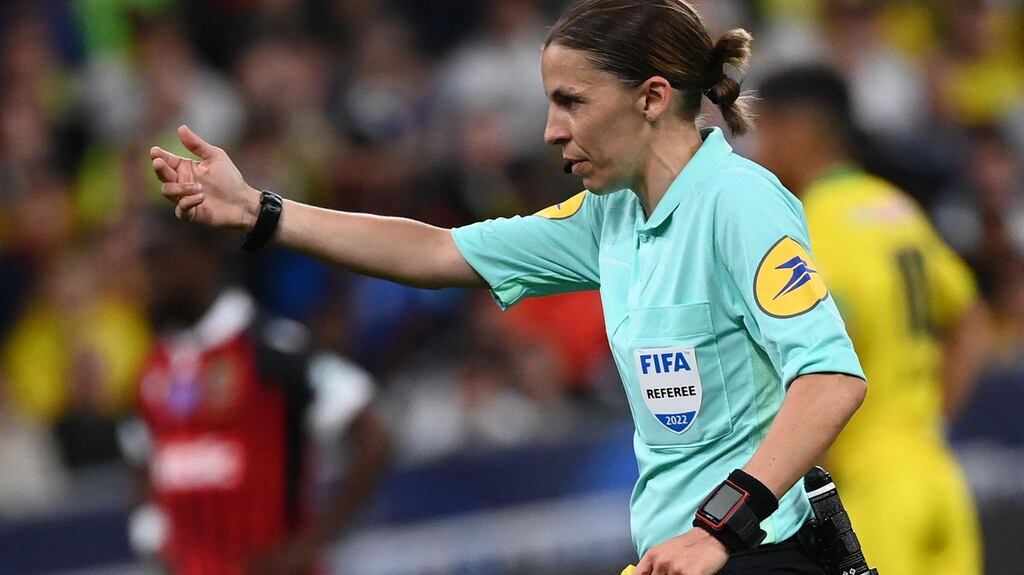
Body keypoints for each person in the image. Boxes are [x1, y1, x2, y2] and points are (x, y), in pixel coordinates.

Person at [149, 1, 867, 573]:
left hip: (750, 552)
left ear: (651, 97)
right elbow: (437, 250)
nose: (552, 131)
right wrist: (260, 211)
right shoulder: (611, 214)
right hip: (680, 555)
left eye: (572, 101)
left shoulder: (737, 201)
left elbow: (831, 378)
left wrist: (718, 528)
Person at [754, 64, 991, 575]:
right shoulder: (894, 206)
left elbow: (829, 345)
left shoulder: (810, 224)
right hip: (936, 473)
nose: (755, 150)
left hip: (872, 492)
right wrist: (933, 419)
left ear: (793, 131)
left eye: (762, 131)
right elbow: (971, 318)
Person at [120, 213, 391, 575]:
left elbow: (373, 438)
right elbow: (142, 453)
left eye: (162, 258)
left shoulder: (273, 348)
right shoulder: (153, 367)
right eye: (145, 262)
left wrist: (310, 545)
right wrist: (150, 530)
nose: (149, 278)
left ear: (205, 257)